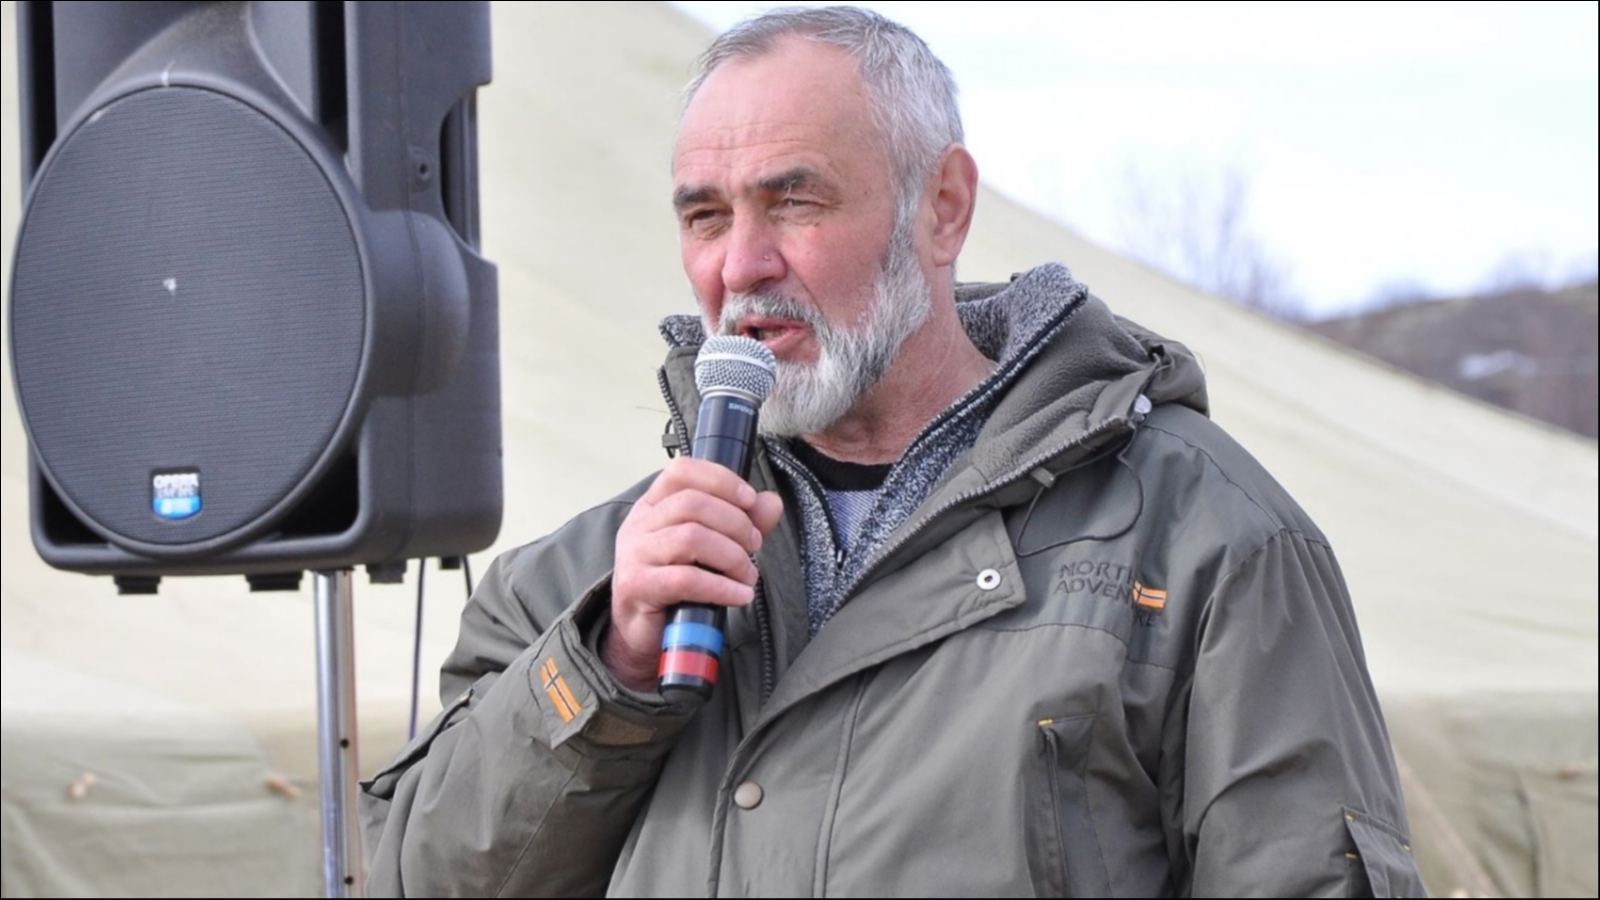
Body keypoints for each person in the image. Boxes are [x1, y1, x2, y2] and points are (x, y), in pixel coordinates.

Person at [361, 7, 1424, 897]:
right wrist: (610, 669)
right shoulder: (581, 583)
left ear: (942, 207)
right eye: (705, 215)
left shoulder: (1205, 540)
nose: (741, 263)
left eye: (794, 199)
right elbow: (422, 879)